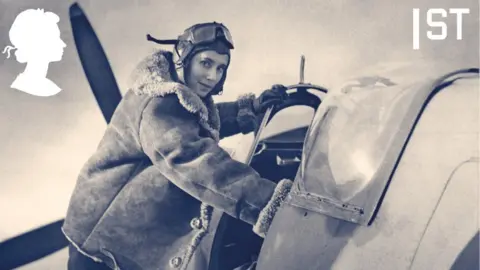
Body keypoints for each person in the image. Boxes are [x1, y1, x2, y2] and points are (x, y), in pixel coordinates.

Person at [62, 22, 293, 270]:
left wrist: (249, 109)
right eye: (206, 63)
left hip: (117, 239)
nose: (212, 76)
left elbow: (195, 123)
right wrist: (269, 203)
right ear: (185, 57)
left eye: (220, 68)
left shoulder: (172, 95)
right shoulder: (157, 105)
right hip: (103, 247)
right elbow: (194, 161)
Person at [2, 8, 66, 96]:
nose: (63, 44)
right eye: (54, 38)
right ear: (36, 43)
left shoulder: (50, 87)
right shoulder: (23, 89)